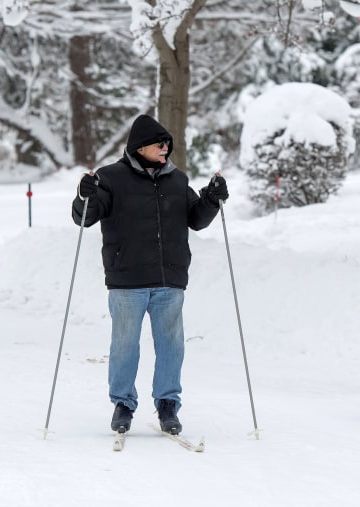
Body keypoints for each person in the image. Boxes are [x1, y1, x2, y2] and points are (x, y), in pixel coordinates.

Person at [71, 114, 229, 435]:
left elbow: (196, 219)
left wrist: (212, 199)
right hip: (127, 279)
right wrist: (84, 194)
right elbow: (85, 217)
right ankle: (123, 403)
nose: (165, 148)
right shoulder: (110, 177)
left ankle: (168, 403)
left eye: (167, 143)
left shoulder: (176, 179)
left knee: (172, 345)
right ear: (139, 147)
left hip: (169, 279)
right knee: (125, 345)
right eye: (160, 143)